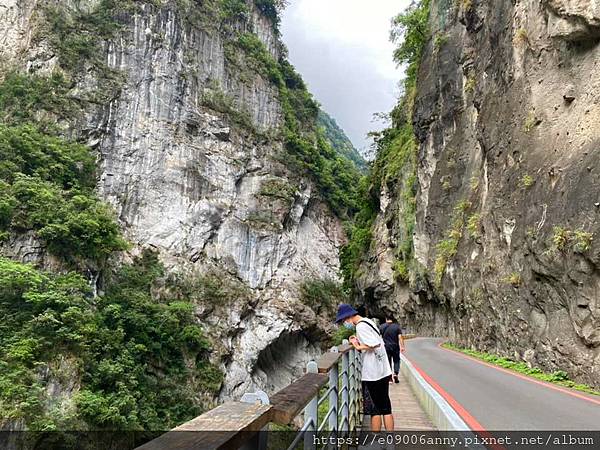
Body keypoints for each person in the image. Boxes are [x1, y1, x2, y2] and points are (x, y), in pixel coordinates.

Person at [335, 304, 394, 432]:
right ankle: (390, 443)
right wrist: (359, 341)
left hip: (374, 373)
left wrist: (357, 346)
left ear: (349, 317)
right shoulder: (367, 321)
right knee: (385, 406)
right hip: (383, 369)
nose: (344, 323)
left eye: (343, 320)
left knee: (375, 409)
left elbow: (374, 343)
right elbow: (374, 339)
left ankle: (376, 442)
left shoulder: (360, 326)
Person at [379, 316, 405, 384]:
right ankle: (396, 374)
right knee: (396, 360)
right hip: (395, 346)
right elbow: (400, 337)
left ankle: (390, 378)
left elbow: (379, 337)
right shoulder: (397, 327)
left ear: (386, 319)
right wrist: (402, 346)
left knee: (388, 362)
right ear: (392, 320)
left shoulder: (382, 326)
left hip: (386, 347)